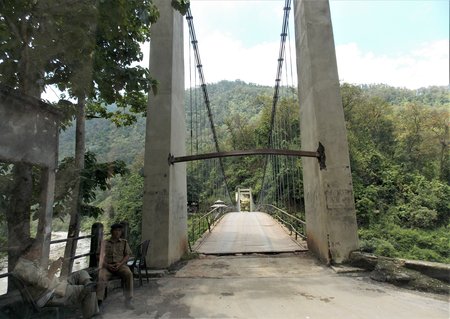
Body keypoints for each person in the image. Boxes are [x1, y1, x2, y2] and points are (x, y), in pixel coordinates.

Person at [13, 239, 99, 319]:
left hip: (55, 285)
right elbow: (45, 285)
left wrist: (54, 265)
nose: (39, 252)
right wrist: (52, 270)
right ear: (27, 252)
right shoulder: (24, 268)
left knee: (81, 273)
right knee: (89, 291)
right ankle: (91, 311)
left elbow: (40, 278)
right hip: (48, 294)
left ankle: (88, 284)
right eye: (37, 250)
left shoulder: (29, 262)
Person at [96, 223, 134, 310]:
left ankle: (128, 300)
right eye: (116, 230)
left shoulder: (124, 242)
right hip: (107, 266)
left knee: (128, 274)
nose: (117, 233)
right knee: (101, 277)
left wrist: (120, 264)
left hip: (120, 265)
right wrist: (107, 265)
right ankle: (99, 301)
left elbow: (127, 255)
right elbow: (98, 256)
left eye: (119, 231)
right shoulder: (104, 243)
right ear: (112, 232)